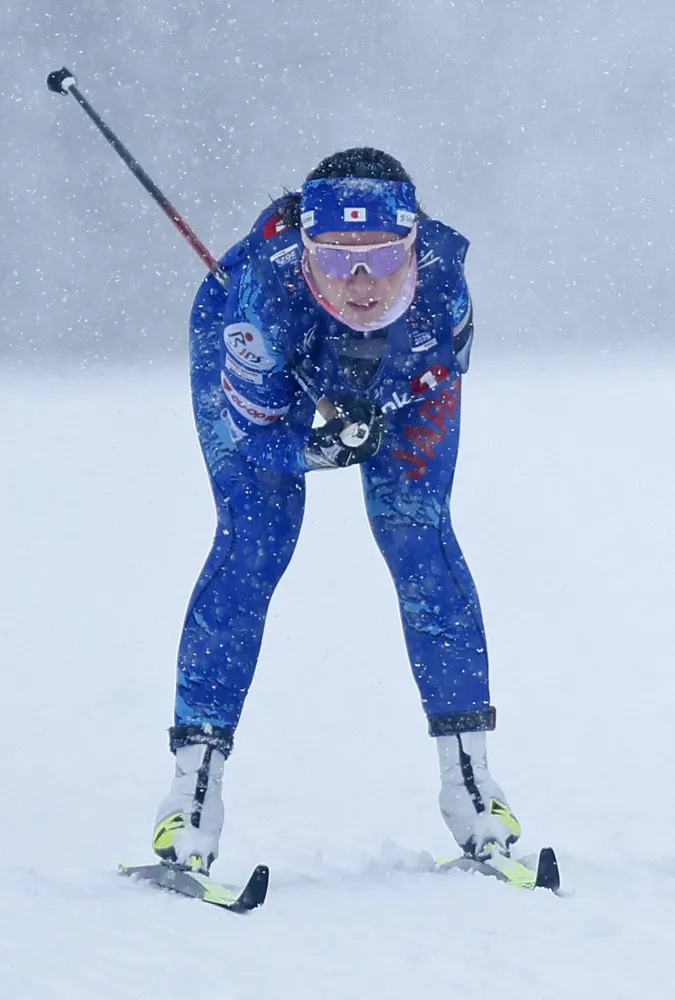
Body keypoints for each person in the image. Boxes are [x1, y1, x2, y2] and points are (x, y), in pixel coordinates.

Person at [152, 147, 521, 874]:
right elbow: (255, 433)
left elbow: (431, 375)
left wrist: (370, 406)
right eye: (334, 255)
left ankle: (473, 792)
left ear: (413, 245)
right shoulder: (258, 299)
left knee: (418, 537)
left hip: (400, 381)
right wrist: (317, 448)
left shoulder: (443, 284)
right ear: (303, 246)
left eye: (382, 257)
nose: (359, 280)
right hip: (270, 379)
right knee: (256, 541)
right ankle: (189, 797)